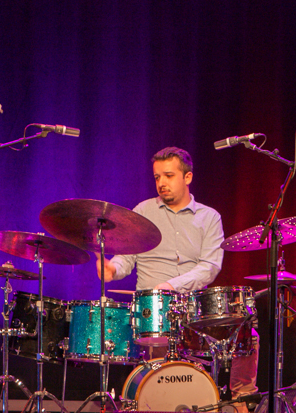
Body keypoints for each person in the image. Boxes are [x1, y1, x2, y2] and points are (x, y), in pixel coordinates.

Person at [94, 146, 258, 406]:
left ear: (188, 177)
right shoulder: (143, 211)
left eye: (168, 176)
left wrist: (172, 286)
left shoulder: (209, 217)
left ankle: (241, 403)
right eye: (157, 177)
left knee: (246, 334)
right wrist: (112, 270)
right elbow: (126, 258)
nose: (161, 183)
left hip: (193, 312)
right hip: (152, 314)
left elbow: (210, 266)